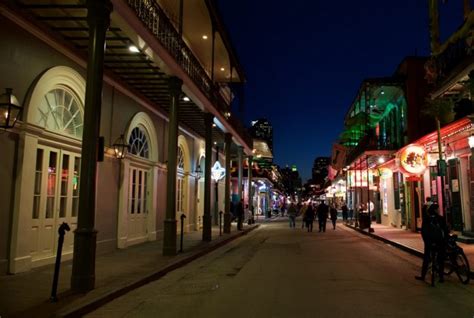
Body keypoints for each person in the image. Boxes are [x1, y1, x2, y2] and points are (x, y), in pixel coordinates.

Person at [415, 203, 449, 283]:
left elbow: (423, 231)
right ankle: (441, 277)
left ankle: (423, 276)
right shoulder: (440, 218)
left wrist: (426, 242)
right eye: (438, 209)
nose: (439, 210)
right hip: (439, 242)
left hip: (429, 242)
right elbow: (445, 230)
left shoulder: (427, 219)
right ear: (435, 210)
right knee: (440, 259)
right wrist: (445, 240)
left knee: (426, 258)